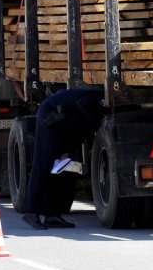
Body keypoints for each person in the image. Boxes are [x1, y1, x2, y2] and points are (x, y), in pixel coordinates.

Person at [21, 89, 106, 230]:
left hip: (61, 122)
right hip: (50, 117)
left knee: (58, 169)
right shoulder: (93, 97)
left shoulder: (94, 98)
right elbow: (82, 105)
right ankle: (30, 211)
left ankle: (51, 214)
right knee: (44, 165)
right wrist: (98, 122)